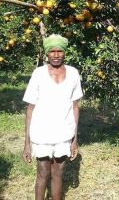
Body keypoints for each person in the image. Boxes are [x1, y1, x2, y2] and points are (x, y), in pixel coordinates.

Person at [22, 34, 83, 200]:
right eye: (52, 51)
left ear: (64, 53)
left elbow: (75, 107)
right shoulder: (38, 74)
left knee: (58, 174)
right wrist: (27, 143)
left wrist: (74, 140)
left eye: (59, 51)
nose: (56, 55)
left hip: (64, 133)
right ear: (47, 53)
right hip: (41, 133)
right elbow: (30, 109)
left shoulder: (73, 73)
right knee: (43, 173)